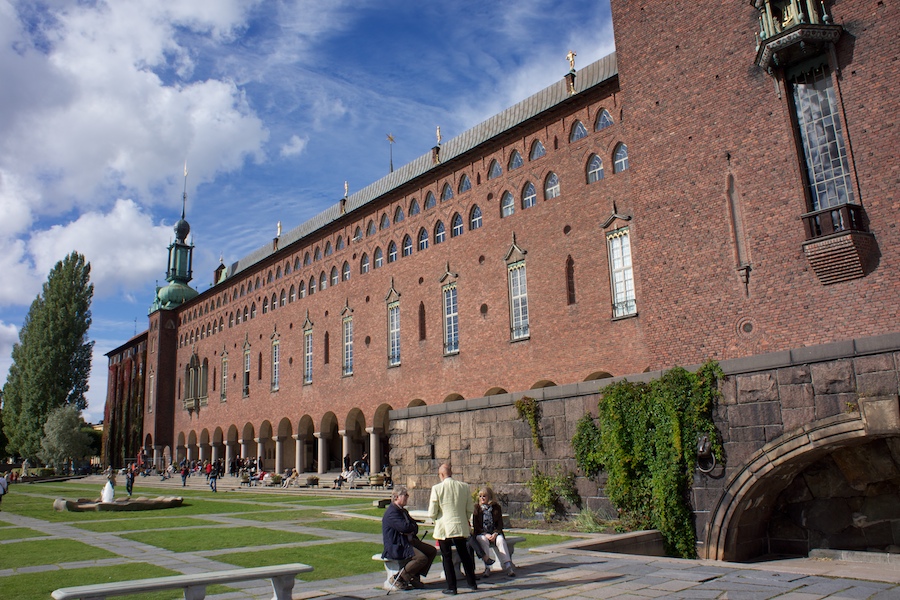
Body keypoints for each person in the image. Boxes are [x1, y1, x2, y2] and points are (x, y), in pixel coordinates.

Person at [428, 463, 477, 595]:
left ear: (442, 474)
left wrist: (436, 517)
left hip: (444, 527)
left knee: (447, 557)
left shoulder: (437, 488)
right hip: (460, 525)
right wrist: (464, 518)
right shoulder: (464, 486)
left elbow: (432, 511)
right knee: (464, 555)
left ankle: (452, 586)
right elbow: (469, 509)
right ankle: (472, 582)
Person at [382, 486, 436, 590]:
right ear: (397, 497)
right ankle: (399, 578)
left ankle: (413, 576)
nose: (407, 497)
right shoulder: (392, 512)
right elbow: (405, 527)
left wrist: (410, 529)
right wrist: (409, 528)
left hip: (408, 541)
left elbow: (414, 526)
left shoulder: (403, 511)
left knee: (431, 551)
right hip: (397, 545)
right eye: (405, 495)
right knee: (421, 558)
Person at [473, 486, 515, 577]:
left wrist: (495, 533)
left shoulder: (496, 508)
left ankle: (508, 566)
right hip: (482, 533)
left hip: (494, 533)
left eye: (484, 496)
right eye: (480, 496)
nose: (482, 498)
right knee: (483, 540)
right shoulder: (477, 508)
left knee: (501, 540)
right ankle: (487, 567)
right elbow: (476, 527)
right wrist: (486, 534)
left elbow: (500, 524)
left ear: (489, 497)